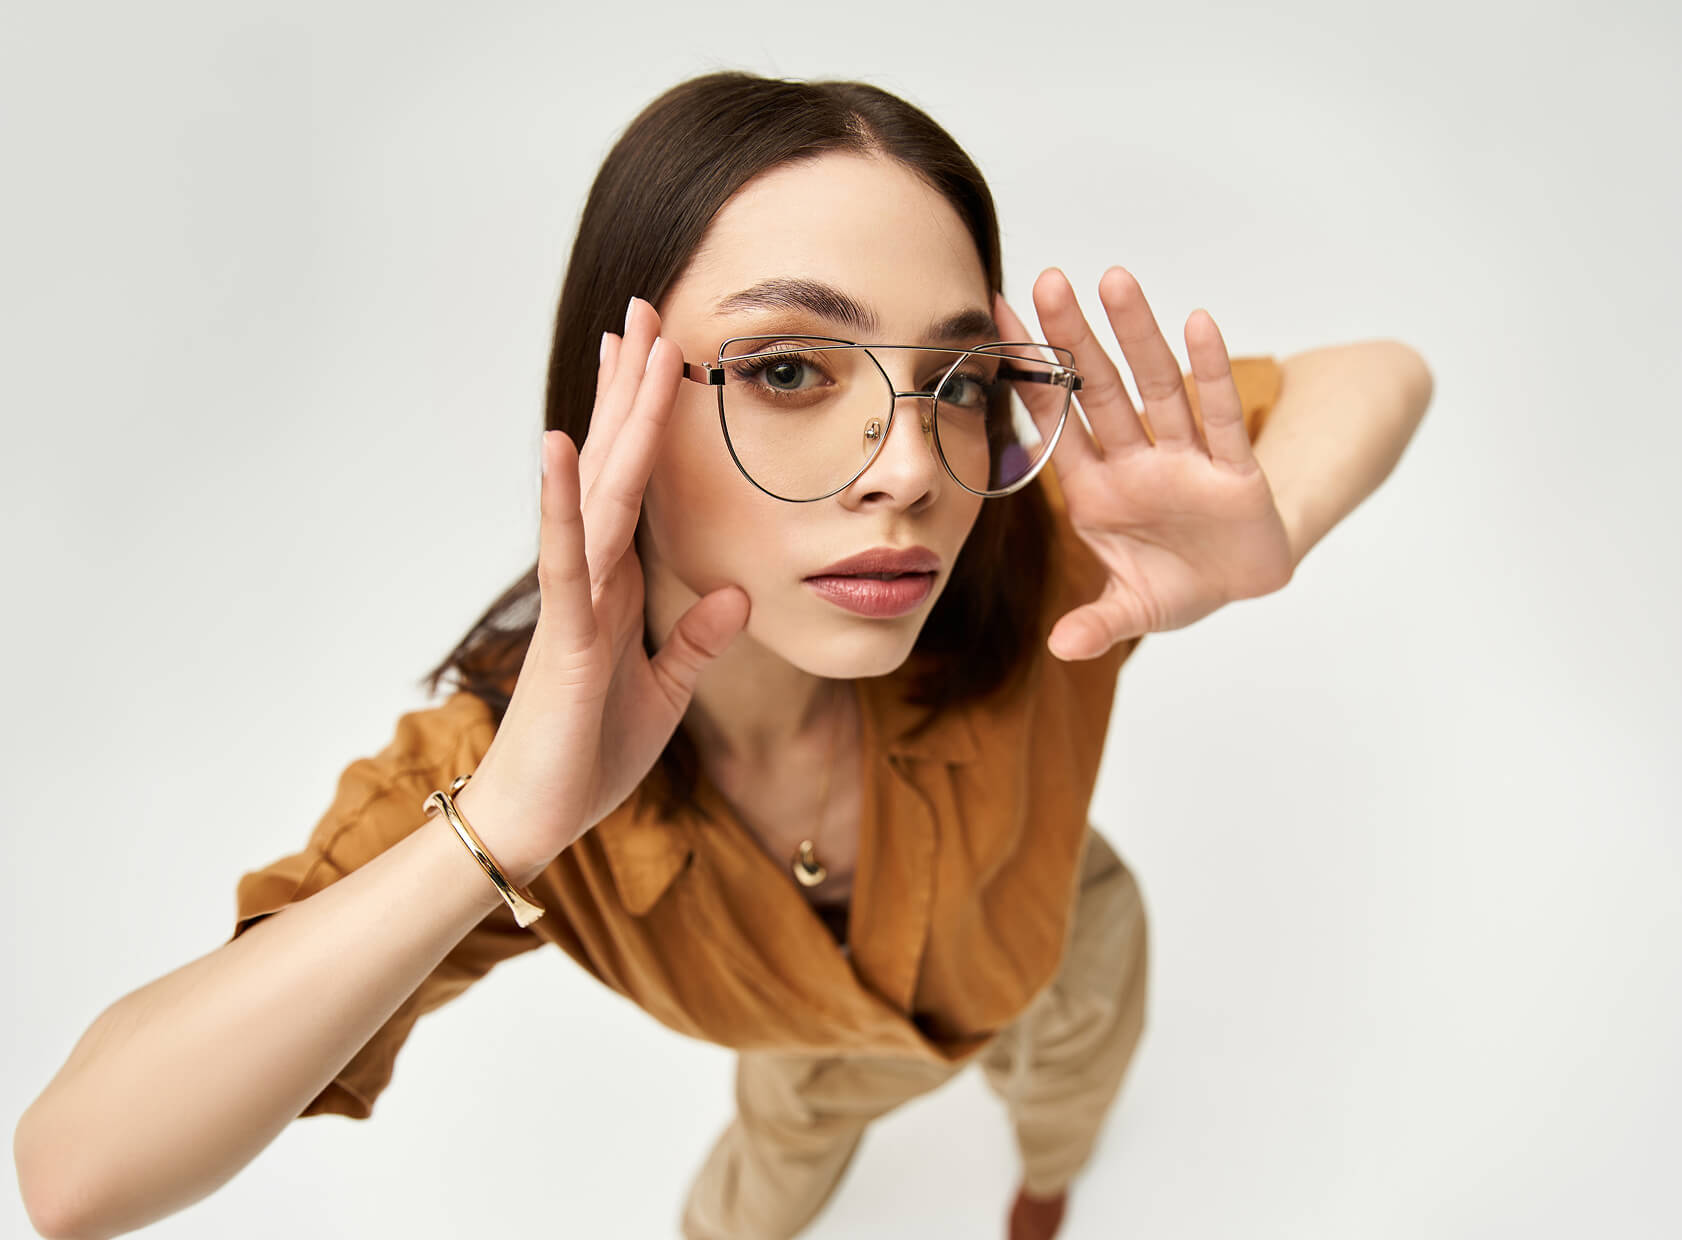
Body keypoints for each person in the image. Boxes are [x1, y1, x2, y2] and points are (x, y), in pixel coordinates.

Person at [14, 70, 1432, 1240]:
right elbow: (73, 1176)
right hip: (803, 1050)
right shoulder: (502, 775)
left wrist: (1276, 528)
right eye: (787, 370)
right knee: (756, 1193)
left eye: (951, 381)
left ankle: (1046, 1185)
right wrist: (505, 828)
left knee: (1070, 1076)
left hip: (1059, 937)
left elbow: (1380, 371)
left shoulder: (1041, 531)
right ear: (611, 397)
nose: (906, 470)